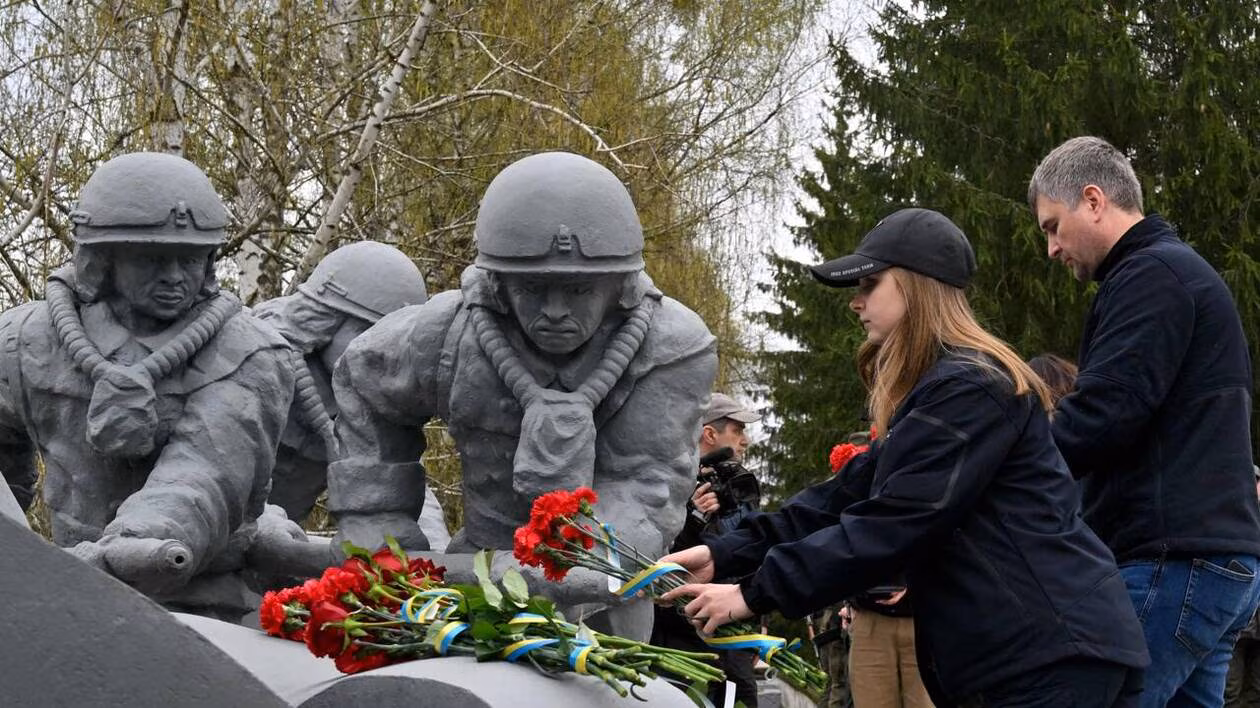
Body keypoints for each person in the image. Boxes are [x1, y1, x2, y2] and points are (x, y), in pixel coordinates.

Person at [658, 207, 1149, 706]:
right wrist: (724, 552)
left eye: (870, 283)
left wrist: (752, 593)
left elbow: (895, 521)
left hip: (1049, 655)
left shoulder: (971, 388)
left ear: (915, 286)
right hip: (1030, 655)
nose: (857, 302)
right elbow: (842, 496)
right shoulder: (944, 390)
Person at [326, 151, 718, 640]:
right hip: (476, 575)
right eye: (532, 288)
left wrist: (580, 563)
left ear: (618, 286)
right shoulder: (449, 331)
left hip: (601, 597)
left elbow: (646, 483)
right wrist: (375, 520)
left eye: (578, 292)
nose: (554, 311)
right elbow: (364, 378)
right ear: (498, 285)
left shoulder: (672, 346)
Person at [0, 152, 295, 619]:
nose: (175, 277)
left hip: (205, 605)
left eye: (191, 259)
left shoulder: (251, 352)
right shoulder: (25, 341)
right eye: (152, 258)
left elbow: (206, 477)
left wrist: (131, 548)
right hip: (66, 601)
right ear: (103, 259)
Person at [1029, 136, 1260, 706]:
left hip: (1171, 561)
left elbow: (1102, 417)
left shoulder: (1151, 275)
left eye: (1053, 227)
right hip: (1210, 560)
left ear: (1092, 200)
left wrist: (1008, 463)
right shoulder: (1171, 273)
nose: (1052, 249)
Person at [251, 240, 448, 546]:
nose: (379, 350)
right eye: (367, 333)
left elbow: (392, 476)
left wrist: (434, 546)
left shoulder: (370, 392)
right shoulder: (256, 358)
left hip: (277, 547)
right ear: (326, 318)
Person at [652, 392, 763, 707]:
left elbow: (751, 549)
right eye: (737, 430)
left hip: (734, 621)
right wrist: (694, 519)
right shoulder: (667, 484)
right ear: (710, 434)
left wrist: (757, 613)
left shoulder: (737, 485)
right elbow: (658, 557)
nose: (744, 440)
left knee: (740, 697)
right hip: (682, 626)